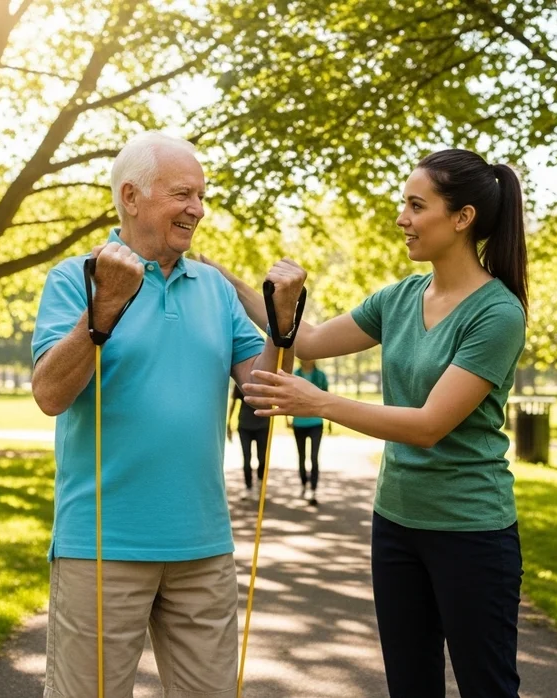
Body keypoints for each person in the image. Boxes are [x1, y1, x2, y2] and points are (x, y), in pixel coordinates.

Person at [206, 148, 528, 697]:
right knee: (409, 685)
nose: (401, 217)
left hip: (471, 532)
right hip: (396, 524)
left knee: (487, 687)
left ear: (462, 218)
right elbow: (305, 340)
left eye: (415, 204)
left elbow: (429, 425)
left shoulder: (497, 313)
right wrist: (222, 276)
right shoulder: (399, 298)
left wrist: (320, 404)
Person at [29, 132, 302, 698]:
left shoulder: (216, 290)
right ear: (131, 196)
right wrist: (102, 308)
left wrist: (282, 320)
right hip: (101, 546)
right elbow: (50, 394)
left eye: (201, 196)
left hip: (203, 547)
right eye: (183, 194)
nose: (197, 209)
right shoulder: (73, 278)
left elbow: (266, 393)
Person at [291, 359, 328, 505]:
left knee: (313, 457)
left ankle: (313, 489)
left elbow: (327, 397)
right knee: (301, 456)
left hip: (316, 423)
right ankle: (303, 484)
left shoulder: (320, 375)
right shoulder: (296, 375)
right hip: (299, 423)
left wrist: (329, 421)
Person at [228, 384, 269, 500]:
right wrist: (229, 424)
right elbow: (234, 402)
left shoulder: (264, 378)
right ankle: (248, 487)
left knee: (262, 458)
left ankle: (260, 483)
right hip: (244, 426)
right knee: (247, 458)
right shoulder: (241, 381)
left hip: (262, 425)